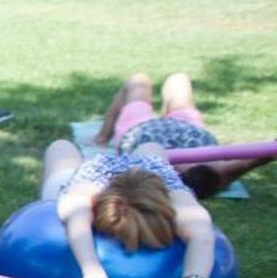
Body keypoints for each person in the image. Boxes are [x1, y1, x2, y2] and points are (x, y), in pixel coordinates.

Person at [39, 136, 215, 278]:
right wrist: (92, 270)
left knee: (151, 145)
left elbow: (203, 237)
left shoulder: (179, 200)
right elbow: (77, 226)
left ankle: (142, 149)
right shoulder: (84, 193)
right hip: (91, 176)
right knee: (60, 146)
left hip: (148, 165)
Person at [88, 71, 273, 199]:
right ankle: (102, 137)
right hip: (185, 136)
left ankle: (102, 137)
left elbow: (260, 154)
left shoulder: (147, 172)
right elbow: (260, 154)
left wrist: (103, 137)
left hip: (146, 133)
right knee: (173, 80)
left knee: (143, 81)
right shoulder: (214, 173)